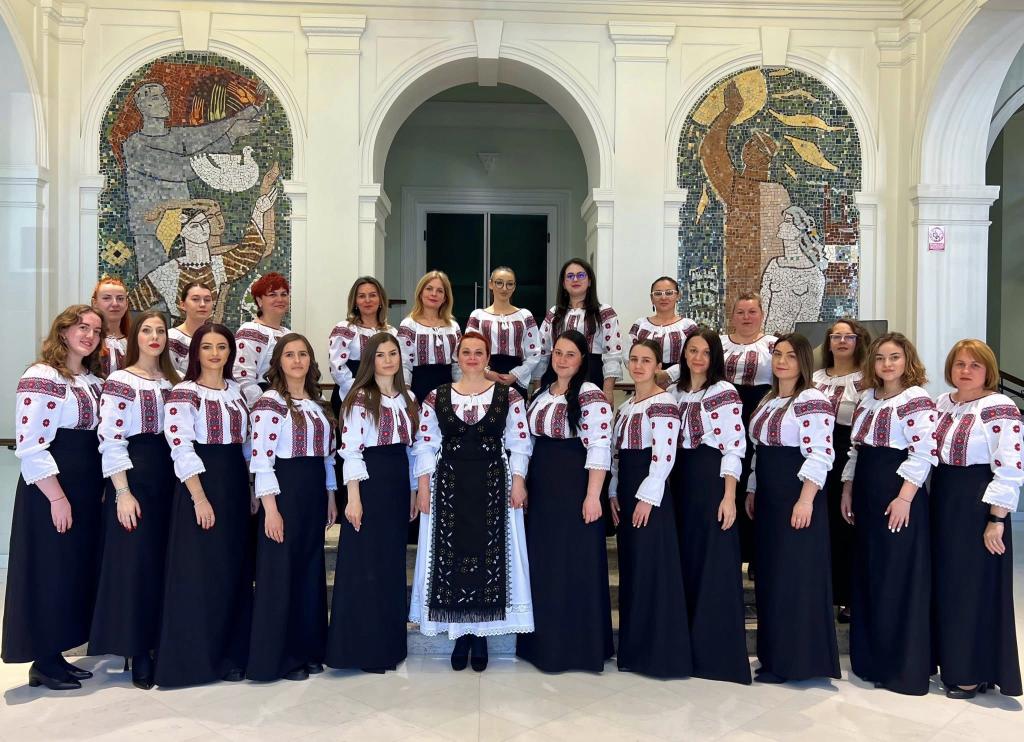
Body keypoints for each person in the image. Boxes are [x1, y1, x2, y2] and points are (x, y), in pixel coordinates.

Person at [409, 332, 533, 672]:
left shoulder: (509, 396)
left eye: (479, 352)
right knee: (451, 556)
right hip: (449, 484)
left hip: (494, 483)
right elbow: (424, 444)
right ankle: (461, 633)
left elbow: (520, 442)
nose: (473, 357)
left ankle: (481, 636)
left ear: (488, 357)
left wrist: (519, 482)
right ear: (457, 356)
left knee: (490, 555)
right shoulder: (437, 396)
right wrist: (423, 488)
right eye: (467, 352)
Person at [2, 305, 105, 690]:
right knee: (49, 570)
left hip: (85, 486)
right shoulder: (42, 376)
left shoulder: (93, 382)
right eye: (82, 327)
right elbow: (31, 444)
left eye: (96, 330)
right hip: (52, 488)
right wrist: (57, 498)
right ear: (63, 332)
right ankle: (43, 661)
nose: (89, 335)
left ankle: (58, 654)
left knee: (71, 571)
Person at [154, 324, 253, 687]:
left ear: (231, 353)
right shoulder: (185, 393)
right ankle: (195, 661)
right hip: (200, 484)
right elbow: (180, 446)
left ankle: (230, 656)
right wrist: (198, 497)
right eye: (207, 347)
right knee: (199, 574)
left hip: (234, 485)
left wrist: (251, 488)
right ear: (196, 352)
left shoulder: (237, 392)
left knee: (232, 571)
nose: (215, 353)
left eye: (222, 347)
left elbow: (247, 445)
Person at [839, 332, 935, 695]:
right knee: (870, 574)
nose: (886, 364)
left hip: (897, 494)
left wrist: (905, 498)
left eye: (894, 357)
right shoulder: (867, 398)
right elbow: (855, 450)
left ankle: (900, 667)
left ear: (907, 360)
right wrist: (848, 488)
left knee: (897, 576)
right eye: (880, 358)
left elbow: (924, 452)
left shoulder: (916, 399)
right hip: (866, 493)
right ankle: (870, 661)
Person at [88, 310, 180, 690]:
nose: (154, 336)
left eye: (160, 331)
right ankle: (138, 650)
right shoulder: (121, 381)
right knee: (136, 564)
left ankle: (164, 643)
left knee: (165, 562)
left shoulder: (176, 381)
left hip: (172, 477)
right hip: (135, 475)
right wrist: (122, 492)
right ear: (135, 337)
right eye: (146, 330)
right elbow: (111, 439)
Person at [516, 330, 613, 673]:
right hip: (543, 488)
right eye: (558, 352)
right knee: (545, 563)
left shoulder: (590, 395)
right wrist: (521, 482)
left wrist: (593, 495)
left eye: (570, 354)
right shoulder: (542, 394)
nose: (562, 359)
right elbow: (526, 444)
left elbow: (600, 447)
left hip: (575, 486)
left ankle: (576, 648)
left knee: (574, 563)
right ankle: (543, 645)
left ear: (582, 359)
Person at [930, 339, 1022, 699]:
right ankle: (950, 661)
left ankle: (972, 670)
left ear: (988, 371)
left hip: (978, 503)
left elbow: (1010, 464)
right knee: (946, 584)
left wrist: (996, 518)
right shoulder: (942, 403)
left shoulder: (999, 407)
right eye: (959, 364)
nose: (965, 371)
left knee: (972, 587)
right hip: (942, 498)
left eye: (974, 365)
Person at [745, 333, 838, 684]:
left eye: (791, 356)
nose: (782, 361)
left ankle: (796, 662)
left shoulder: (812, 399)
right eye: (777, 354)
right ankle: (773, 656)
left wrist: (806, 499)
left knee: (795, 577)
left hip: (796, 495)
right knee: (772, 576)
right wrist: (753, 487)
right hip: (769, 497)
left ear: (804, 362)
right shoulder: (769, 399)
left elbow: (820, 453)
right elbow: (759, 450)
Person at [247, 334, 338, 682]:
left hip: (313, 492)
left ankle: (309, 649)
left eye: (303, 354)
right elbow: (261, 459)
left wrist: (330, 496)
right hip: (283, 491)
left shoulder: (318, 404)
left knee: (309, 570)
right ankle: (280, 657)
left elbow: (327, 456)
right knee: (281, 572)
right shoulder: (270, 404)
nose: (297, 360)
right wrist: (270, 509)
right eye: (289, 354)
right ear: (279, 362)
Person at [327, 332, 418, 673]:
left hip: (397, 483)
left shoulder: (408, 398)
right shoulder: (360, 398)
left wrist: (412, 490)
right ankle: (360, 650)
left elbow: (412, 449)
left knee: (390, 563)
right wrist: (353, 498)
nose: (388, 360)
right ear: (370, 361)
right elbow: (351, 450)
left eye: (393, 353)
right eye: (380, 355)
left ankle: (388, 646)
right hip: (369, 482)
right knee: (365, 564)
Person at [670, 328, 751, 684]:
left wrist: (729, 495)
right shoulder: (674, 392)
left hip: (710, 478)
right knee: (684, 559)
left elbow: (734, 446)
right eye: (692, 350)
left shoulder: (723, 392)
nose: (698, 358)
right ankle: (683, 646)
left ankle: (714, 654)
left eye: (705, 352)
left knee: (712, 560)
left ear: (715, 356)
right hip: (679, 479)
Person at [610, 339, 692, 679]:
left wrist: (647, 497)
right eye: (634, 359)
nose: (638, 365)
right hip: (627, 491)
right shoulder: (627, 405)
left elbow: (664, 454)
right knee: (633, 569)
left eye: (646, 360)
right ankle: (634, 650)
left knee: (651, 568)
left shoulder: (663, 402)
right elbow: (617, 454)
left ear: (659, 366)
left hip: (649, 494)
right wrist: (614, 490)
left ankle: (657, 653)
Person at [122, 81, 263, 278]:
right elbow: (183, 169)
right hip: (151, 227)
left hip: (182, 223)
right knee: (155, 283)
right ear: (142, 107)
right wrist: (231, 136)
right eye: (155, 97)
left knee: (186, 282)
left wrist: (250, 110)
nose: (164, 101)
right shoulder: (135, 145)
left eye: (164, 95)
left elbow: (209, 131)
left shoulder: (176, 135)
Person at [813, 318, 871, 623]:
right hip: (816, 453)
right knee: (821, 524)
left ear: (859, 341)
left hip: (850, 452)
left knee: (847, 524)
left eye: (849, 337)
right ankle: (825, 593)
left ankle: (849, 595)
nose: (842, 342)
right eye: (836, 336)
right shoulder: (815, 378)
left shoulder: (868, 379)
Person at [722, 292, 778, 577]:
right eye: (741, 312)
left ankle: (758, 555)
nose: (746, 317)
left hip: (762, 410)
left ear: (762, 314)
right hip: (725, 413)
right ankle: (730, 552)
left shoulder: (773, 345)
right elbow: (691, 364)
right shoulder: (719, 343)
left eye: (752, 311)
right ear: (732, 316)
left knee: (758, 482)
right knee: (730, 479)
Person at [535, 258, 622, 400]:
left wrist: (608, 390)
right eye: (570, 276)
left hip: (591, 374)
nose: (575, 279)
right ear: (564, 284)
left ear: (589, 281)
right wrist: (537, 387)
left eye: (581, 275)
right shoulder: (554, 313)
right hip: (556, 374)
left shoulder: (604, 312)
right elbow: (542, 352)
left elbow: (612, 353)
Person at [466, 266, 541, 398]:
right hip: (485, 377)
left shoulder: (524, 315)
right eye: (499, 283)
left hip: (515, 377)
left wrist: (515, 375)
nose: (504, 288)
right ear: (490, 284)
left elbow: (534, 353)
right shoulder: (478, 316)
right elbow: (468, 350)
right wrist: (487, 373)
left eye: (509, 284)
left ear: (514, 286)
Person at [327, 276, 396, 417]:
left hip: (384, 395)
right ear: (355, 302)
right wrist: (358, 393)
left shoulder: (391, 332)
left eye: (372, 295)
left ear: (380, 300)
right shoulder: (345, 329)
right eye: (362, 296)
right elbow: (337, 366)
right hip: (350, 394)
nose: (367, 300)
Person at [398, 271, 462, 404]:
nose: (434, 294)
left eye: (440, 291)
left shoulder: (453, 326)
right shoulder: (409, 325)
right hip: (418, 387)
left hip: (448, 388)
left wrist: (462, 391)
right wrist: (407, 393)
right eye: (429, 289)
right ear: (420, 293)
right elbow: (404, 363)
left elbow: (457, 364)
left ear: (445, 297)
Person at [233, 272, 292, 407]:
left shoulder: (289, 334)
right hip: (265, 405)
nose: (280, 299)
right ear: (259, 301)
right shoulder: (251, 331)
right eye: (272, 295)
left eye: (284, 294)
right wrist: (266, 407)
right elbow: (242, 377)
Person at [626, 276, 697, 387]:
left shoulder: (688, 326)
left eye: (669, 293)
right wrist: (646, 372)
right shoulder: (640, 325)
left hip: (681, 386)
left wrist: (670, 373)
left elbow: (696, 356)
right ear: (651, 298)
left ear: (678, 296)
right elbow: (628, 355)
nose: (663, 297)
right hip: (645, 384)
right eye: (658, 293)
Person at [168, 282, 214, 376]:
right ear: (183, 305)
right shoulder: (172, 338)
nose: (202, 304)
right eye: (195, 299)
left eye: (207, 300)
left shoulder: (217, 338)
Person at [92, 277, 131, 377]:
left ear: (126, 304)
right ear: (95, 303)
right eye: (106, 298)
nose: (115, 303)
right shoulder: (86, 340)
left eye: (120, 298)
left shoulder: (136, 342)